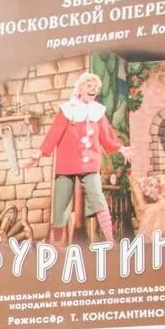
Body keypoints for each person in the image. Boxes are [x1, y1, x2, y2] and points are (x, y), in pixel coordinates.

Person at [37, 71, 122, 247]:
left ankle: (110, 240)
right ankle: (57, 246)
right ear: (80, 89)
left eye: (95, 88)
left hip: (89, 162)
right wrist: (40, 153)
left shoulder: (98, 112)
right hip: (66, 163)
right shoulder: (67, 110)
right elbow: (54, 134)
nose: (93, 90)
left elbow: (107, 136)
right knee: (60, 207)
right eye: (89, 86)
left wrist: (120, 148)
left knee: (98, 197)